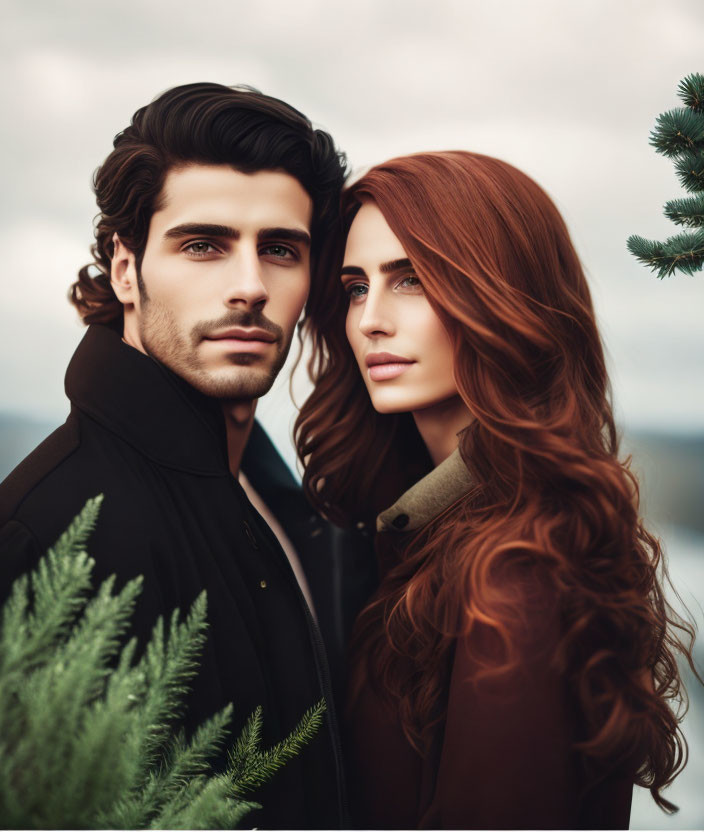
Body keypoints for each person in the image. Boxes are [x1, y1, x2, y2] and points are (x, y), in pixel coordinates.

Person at [0, 82, 370, 830]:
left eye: (280, 250)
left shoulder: (278, 500)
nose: (249, 287)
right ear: (126, 269)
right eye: (203, 244)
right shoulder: (54, 535)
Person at [295, 151, 698, 829]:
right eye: (356, 286)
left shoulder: (513, 569)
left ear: (500, 295)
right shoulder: (426, 525)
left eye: (412, 280)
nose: (369, 320)